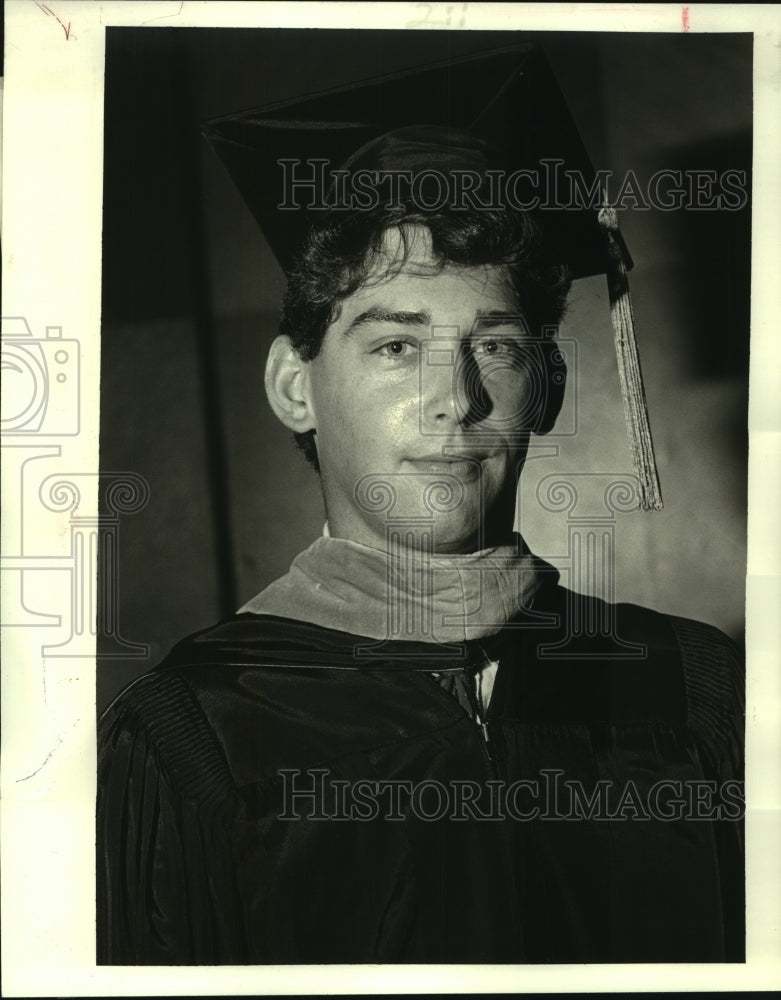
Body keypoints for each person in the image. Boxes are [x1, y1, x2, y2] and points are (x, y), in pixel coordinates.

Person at [97, 44, 744, 965]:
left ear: (548, 390)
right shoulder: (194, 735)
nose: (456, 399)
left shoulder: (689, 689)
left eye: (499, 347)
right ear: (294, 386)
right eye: (395, 347)